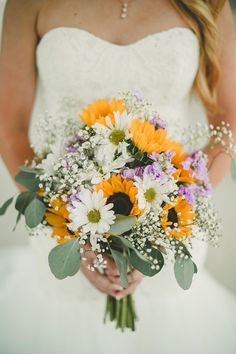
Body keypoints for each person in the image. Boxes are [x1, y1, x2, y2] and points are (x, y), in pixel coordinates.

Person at [0, 0, 236, 353]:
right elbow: (11, 128)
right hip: (62, 223)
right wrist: (74, 229)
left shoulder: (210, 5)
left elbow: (228, 124)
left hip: (169, 226)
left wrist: (167, 220)